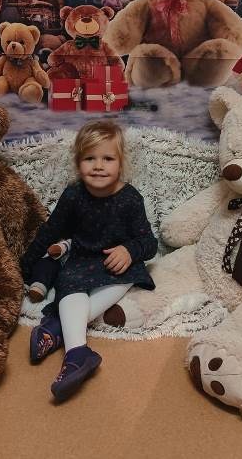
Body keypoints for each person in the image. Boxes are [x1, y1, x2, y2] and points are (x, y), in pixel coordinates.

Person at [20, 120, 157, 402]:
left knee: (127, 276)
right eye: (89, 158)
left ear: (121, 163)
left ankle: (57, 326)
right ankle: (78, 354)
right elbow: (51, 231)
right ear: (77, 163)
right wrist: (25, 265)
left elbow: (149, 243)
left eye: (108, 159)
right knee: (69, 283)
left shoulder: (131, 199)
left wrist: (130, 250)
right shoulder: (73, 194)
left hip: (117, 265)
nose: (98, 166)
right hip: (81, 261)